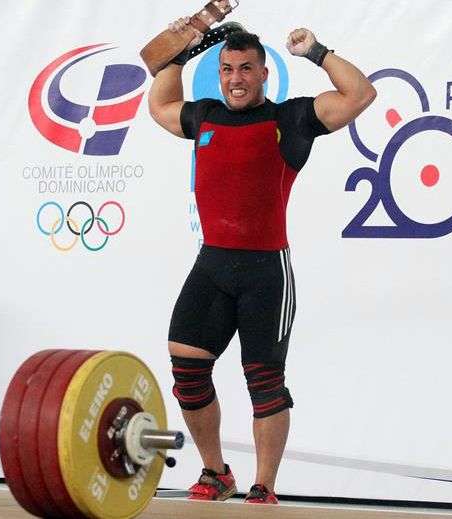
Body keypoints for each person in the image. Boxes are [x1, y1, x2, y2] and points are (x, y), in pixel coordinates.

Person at [147, 11, 376, 504]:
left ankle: (263, 485)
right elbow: (161, 104)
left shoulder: (289, 120)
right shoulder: (204, 115)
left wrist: (317, 52)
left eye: (246, 69)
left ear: (263, 73)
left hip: (265, 271)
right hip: (212, 265)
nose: (236, 79)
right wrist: (177, 54)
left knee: (265, 380)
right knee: (186, 369)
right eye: (228, 69)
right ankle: (215, 473)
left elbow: (360, 95)